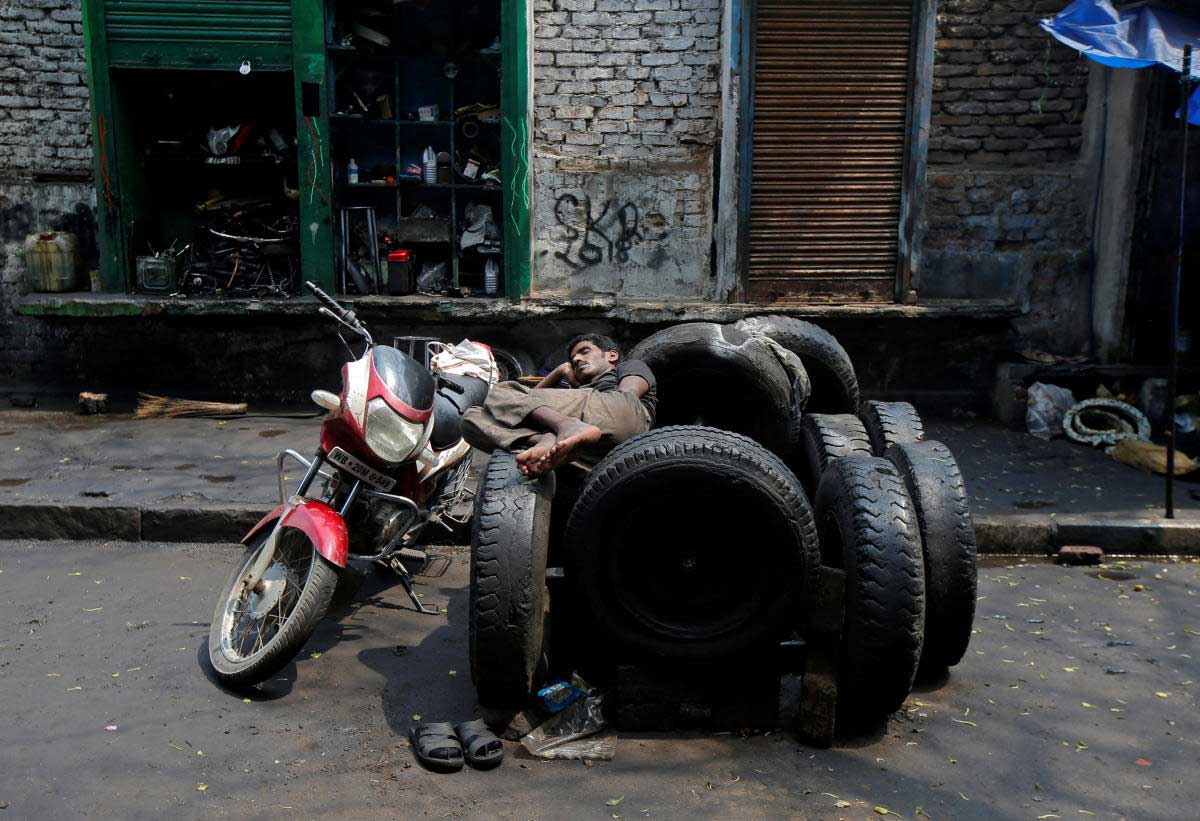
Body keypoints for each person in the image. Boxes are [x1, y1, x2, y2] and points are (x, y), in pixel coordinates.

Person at [461, 334, 657, 476]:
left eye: (584, 351)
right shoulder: (574, 397)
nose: (577, 359)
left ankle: (563, 428)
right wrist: (561, 372)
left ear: (611, 356)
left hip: (626, 418)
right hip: (592, 457)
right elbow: (524, 404)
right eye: (572, 360)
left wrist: (578, 391)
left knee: (502, 391)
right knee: (472, 418)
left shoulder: (628, 367)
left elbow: (626, 399)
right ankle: (546, 439)